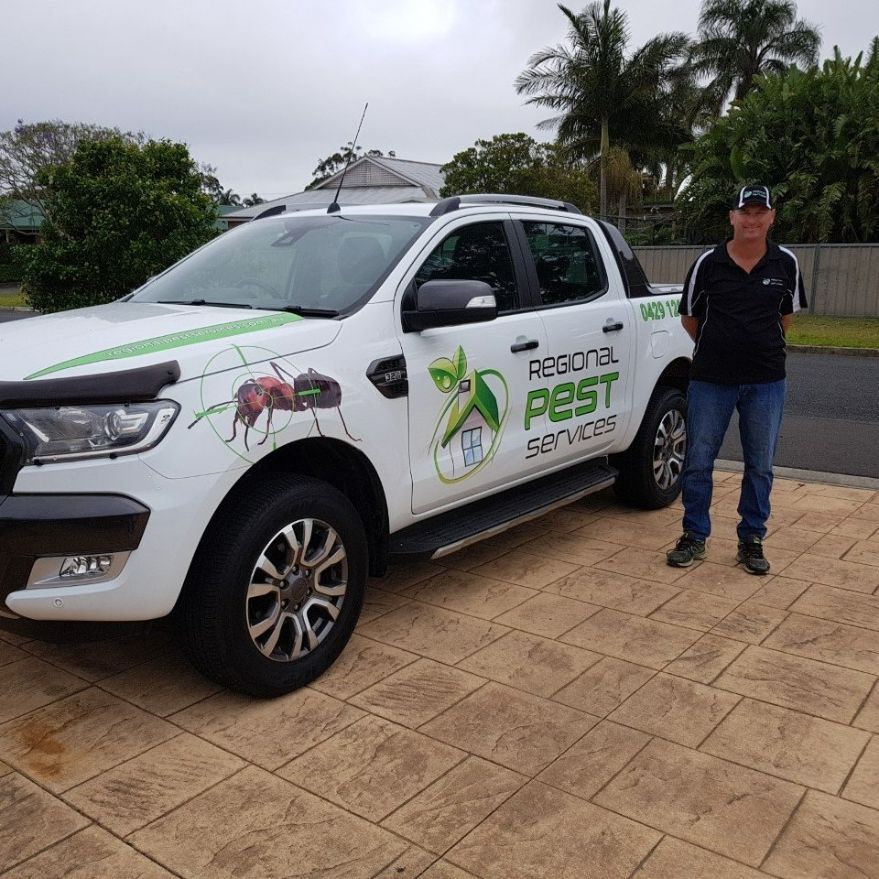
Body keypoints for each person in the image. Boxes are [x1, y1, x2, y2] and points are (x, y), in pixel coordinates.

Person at [667, 184, 807, 574]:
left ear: (771, 218)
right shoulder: (707, 264)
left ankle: (752, 538)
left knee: (760, 464)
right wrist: (720, 348)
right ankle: (694, 535)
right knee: (698, 460)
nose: (752, 219)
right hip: (711, 379)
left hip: (766, 381)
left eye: (760, 212)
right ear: (732, 217)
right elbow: (690, 318)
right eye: (745, 211)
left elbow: (786, 318)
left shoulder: (786, 264)